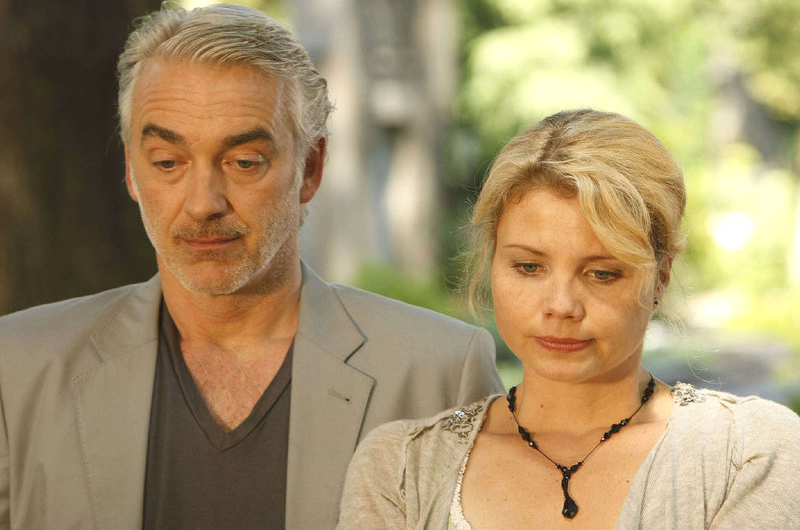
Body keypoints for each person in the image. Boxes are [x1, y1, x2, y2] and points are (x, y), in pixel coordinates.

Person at [0, 4, 504, 529]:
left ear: (310, 169)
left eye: (244, 162)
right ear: (131, 171)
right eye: (168, 162)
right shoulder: (17, 371)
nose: (203, 203)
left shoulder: (440, 373)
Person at [337, 109, 800, 528]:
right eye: (529, 267)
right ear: (492, 262)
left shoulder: (749, 453)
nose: (561, 305)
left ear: (661, 277)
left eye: (601, 273)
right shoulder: (400, 469)